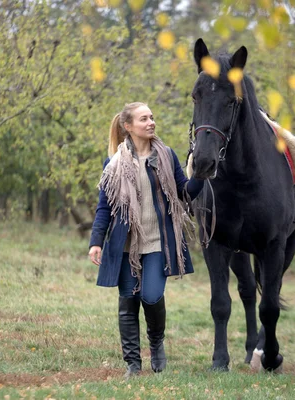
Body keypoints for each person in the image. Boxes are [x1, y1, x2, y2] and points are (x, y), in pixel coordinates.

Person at [88, 102, 204, 378]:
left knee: (151, 297)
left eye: (152, 117)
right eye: (144, 119)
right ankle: (132, 364)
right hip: (126, 245)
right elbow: (105, 207)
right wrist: (96, 241)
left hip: (158, 242)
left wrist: (200, 173)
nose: (151, 122)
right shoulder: (113, 164)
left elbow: (184, 194)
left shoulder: (166, 156)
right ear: (128, 127)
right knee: (127, 301)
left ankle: (156, 344)